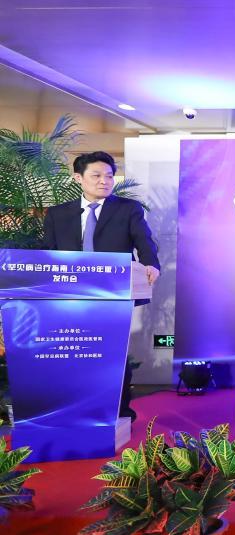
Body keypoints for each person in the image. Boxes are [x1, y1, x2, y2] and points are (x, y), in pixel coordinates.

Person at [42, 151, 160, 422]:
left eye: (109, 176)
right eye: (96, 175)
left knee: (113, 353)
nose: (104, 181)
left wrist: (151, 264)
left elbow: (144, 242)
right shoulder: (58, 214)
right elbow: (48, 253)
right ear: (78, 178)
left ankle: (119, 412)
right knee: (73, 354)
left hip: (113, 293)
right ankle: (75, 408)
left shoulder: (128, 209)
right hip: (70, 296)